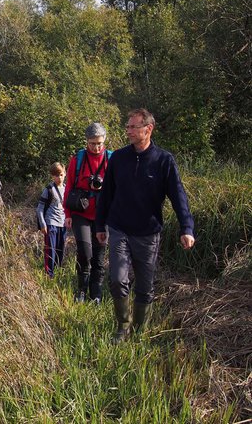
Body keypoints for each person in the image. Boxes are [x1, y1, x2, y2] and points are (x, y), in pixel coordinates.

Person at [96, 109, 195, 342]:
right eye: (127, 126)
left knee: (144, 285)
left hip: (148, 233)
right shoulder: (118, 158)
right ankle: (123, 326)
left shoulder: (164, 161)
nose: (128, 131)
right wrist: (100, 225)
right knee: (118, 279)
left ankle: (139, 332)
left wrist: (186, 228)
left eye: (133, 127)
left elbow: (178, 196)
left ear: (147, 129)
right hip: (119, 228)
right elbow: (106, 194)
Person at [63, 123, 111, 304]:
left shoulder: (111, 159)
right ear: (86, 142)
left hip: (102, 214)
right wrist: (67, 213)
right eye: (92, 143)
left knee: (99, 256)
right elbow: (68, 188)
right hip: (80, 212)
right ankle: (81, 291)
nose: (96, 147)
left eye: (99, 143)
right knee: (85, 252)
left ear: (104, 140)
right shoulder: (78, 160)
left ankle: (96, 294)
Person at [37, 162, 67, 278]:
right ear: (52, 176)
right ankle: (49, 275)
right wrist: (43, 224)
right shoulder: (48, 190)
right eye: (56, 175)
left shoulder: (66, 189)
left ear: (65, 174)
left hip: (63, 224)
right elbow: (39, 208)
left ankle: (57, 273)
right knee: (50, 251)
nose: (59, 177)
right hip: (51, 223)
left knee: (60, 250)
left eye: (61, 174)